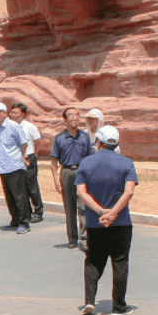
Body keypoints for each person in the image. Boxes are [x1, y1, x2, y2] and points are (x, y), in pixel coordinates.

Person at [75, 126, 137, 315]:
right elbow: (129, 192)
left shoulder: (86, 163)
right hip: (121, 222)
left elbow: (80, 192)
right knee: (120, 262)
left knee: (93, 261)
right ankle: (118, 306)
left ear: (98, 142)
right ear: (116, 143)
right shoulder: (127, 163)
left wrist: (101, 212)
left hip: (95, 223)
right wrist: (113, 213)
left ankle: (90, 301)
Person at [50, 107, 93, 250]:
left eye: (77, 115)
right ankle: (72, 239)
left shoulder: (85, 137)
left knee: (83, 206)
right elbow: (54, 162)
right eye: (71, 115)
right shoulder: (59, 138)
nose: (75, 117)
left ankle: (85, 238)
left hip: (82, 172)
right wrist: (56, 180)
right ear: (65, 119)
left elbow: (90, 158)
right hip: (66, 173)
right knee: (69, 208)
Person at [0, 102, 31, 234]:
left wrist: (22, 157)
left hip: (15, 166)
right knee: (10, 196)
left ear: (4, 113)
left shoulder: (13, 126)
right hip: (4, 167)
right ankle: (15, 220)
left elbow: (23, 143)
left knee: (19, 196)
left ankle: (24, 223)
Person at [9, 102, 45, 222]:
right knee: (19, 187)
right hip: (15, 160)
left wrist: (33, 154)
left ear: (23, 114)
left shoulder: (30, 127)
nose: (12, 115)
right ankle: (26, 212)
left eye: (15, 112)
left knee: (31, 186)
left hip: (28, 158)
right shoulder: (9, 127)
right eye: (11, 112)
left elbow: (39, 142)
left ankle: (38, 212)